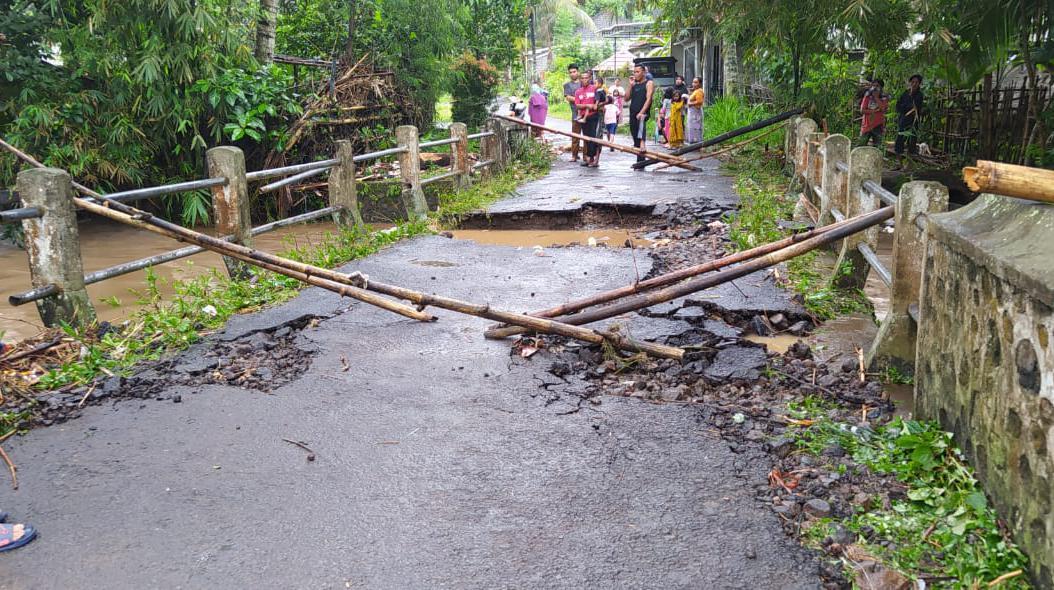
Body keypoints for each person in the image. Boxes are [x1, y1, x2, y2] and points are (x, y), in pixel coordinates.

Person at [894, 74, 924, 169]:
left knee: (911, 144)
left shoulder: (919, 95)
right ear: (910, 83)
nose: (914, 84)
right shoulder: (905, 93)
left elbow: (916, 107)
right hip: (903, 121)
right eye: (913, 82)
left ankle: (908, 166)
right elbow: (898, 106)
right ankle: (899, 164)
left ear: (919, 84)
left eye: (917, 82)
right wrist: (906, 108)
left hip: (913, 123)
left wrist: (908, 106)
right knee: (899, 142)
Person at [627, 64, 655, 165]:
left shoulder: (649, 83)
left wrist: (641, 112)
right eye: (634, 72)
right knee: (635, 137)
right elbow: (626, 98)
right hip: (633, 112)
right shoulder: (634, 84)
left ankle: (643, 144)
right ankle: (641, 161)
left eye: (637, 72)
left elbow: (649, 99)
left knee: (641, 122)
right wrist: (630, 85)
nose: (635, 74)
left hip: (642, 112)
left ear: (643, 72)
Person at [574, 70, 604, 167]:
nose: (584, 80)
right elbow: (577, 105)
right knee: (587, 139)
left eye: (586, 78)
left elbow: (603, 99)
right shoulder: (578, 92)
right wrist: (587, 105)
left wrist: (596, 105)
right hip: (584, 117)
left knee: (595, 137)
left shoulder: (595, 88)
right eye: (582, 78)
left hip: (594, 116)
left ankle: (596, 160)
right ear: (580, 80)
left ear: (589, 78)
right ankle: (589, 158)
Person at [859, 79, 889, 147]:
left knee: (877, 147)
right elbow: (862, 110)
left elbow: (883, 109)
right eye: (873, 85)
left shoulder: (884, 97)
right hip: (866, 125)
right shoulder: (867, 96)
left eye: (877, 86)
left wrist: (876, 97)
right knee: (861, 146)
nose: (875, 88)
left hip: (878, 125)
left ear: (881, 87)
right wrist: (875, 111)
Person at [563, 64, 582, 161]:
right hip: (575, 114)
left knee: (587, 137)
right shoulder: (567, 85)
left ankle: (587, 156)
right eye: (570, 72)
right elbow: (568, 97)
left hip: (587, 114)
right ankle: (574, 155)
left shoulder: (584, 83)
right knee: (575, 136)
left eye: (574, 71)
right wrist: (581, 100)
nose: (572, 74)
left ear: (578, 72)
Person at [686, 77, 705, 144]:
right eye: (693, 82)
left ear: (700, 83)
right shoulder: (696, 90)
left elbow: (700, 101)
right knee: (692, 127)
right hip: (693, 113)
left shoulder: (699, 91)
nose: (693, 84)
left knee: (695, 128)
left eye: (696, 82)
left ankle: (696, 143)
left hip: (696, 113)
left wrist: (690, 103)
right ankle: (694, 142)